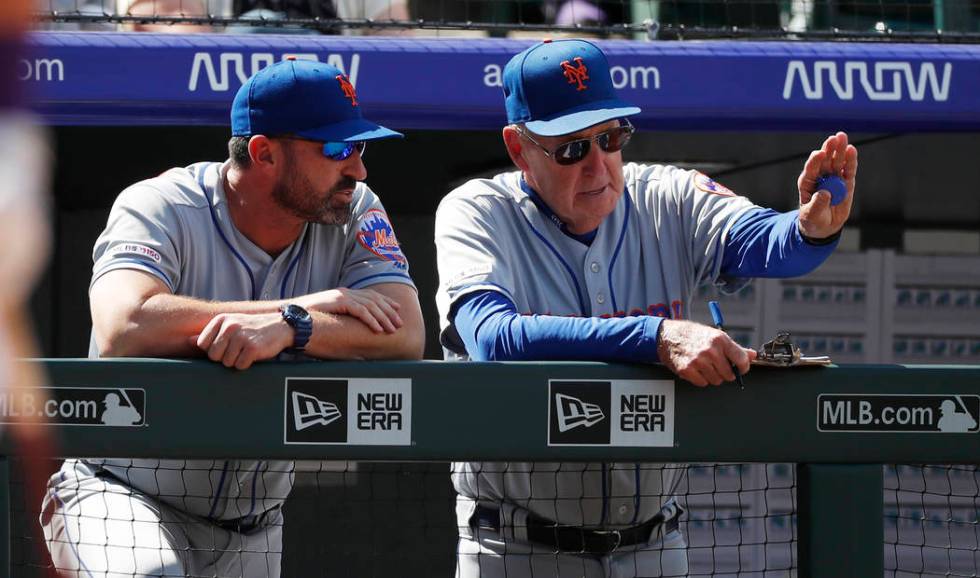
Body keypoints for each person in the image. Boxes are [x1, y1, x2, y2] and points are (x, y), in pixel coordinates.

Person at [435, 38, 857, 578]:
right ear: (519, 149)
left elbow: (765, 242)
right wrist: (655, 338)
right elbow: (493, 338)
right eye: (571, 148)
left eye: (610, 138)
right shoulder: (477, 211)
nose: (598, 166)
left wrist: (808, 228)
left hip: (655, 546)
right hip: (517, 548)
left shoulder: (667, 194)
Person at [41, 58, 424, 578]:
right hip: (122, 495)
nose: (357, 168)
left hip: (254, 528)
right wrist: (303, 306)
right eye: (336, 149)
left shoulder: (352, 207)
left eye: (360, 147)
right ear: (264, 153)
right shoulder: (161, 204)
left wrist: (294, 325)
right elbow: (123, 324)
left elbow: (405, 332)